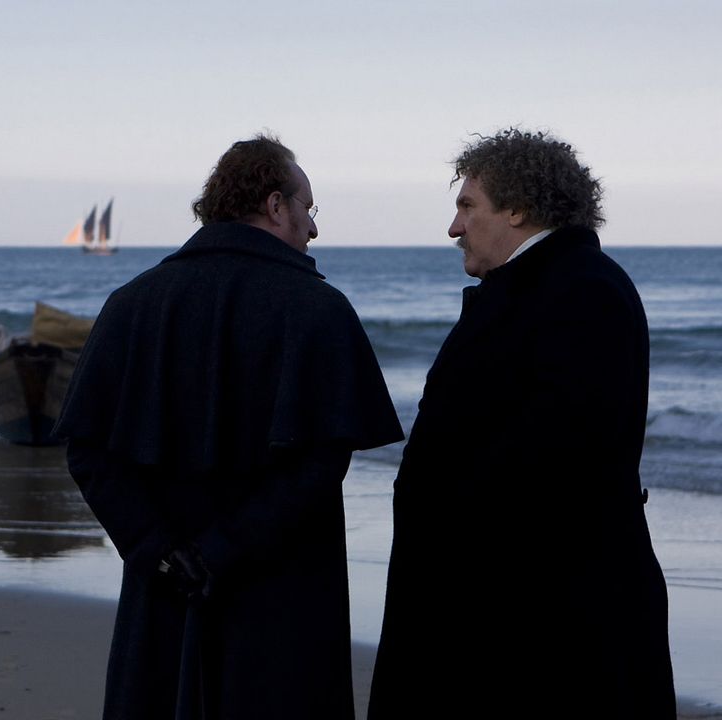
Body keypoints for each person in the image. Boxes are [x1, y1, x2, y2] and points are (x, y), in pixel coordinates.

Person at [54, 134, 403, 719]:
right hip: (282, 597)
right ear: (275, 205)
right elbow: (320, 464)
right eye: (309, 208)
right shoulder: (318, 308)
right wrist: (221, 551)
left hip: (162, 589)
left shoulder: (130, 302)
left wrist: (160, 551)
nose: (314, 228)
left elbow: (89, 453)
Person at [368, 129, 676, 719]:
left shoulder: (581, 289)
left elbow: (559, 461)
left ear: (516, 208)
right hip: (506, 607)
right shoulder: (541, 287)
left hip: (537, 625)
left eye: (467, 206)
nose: (454, 228)